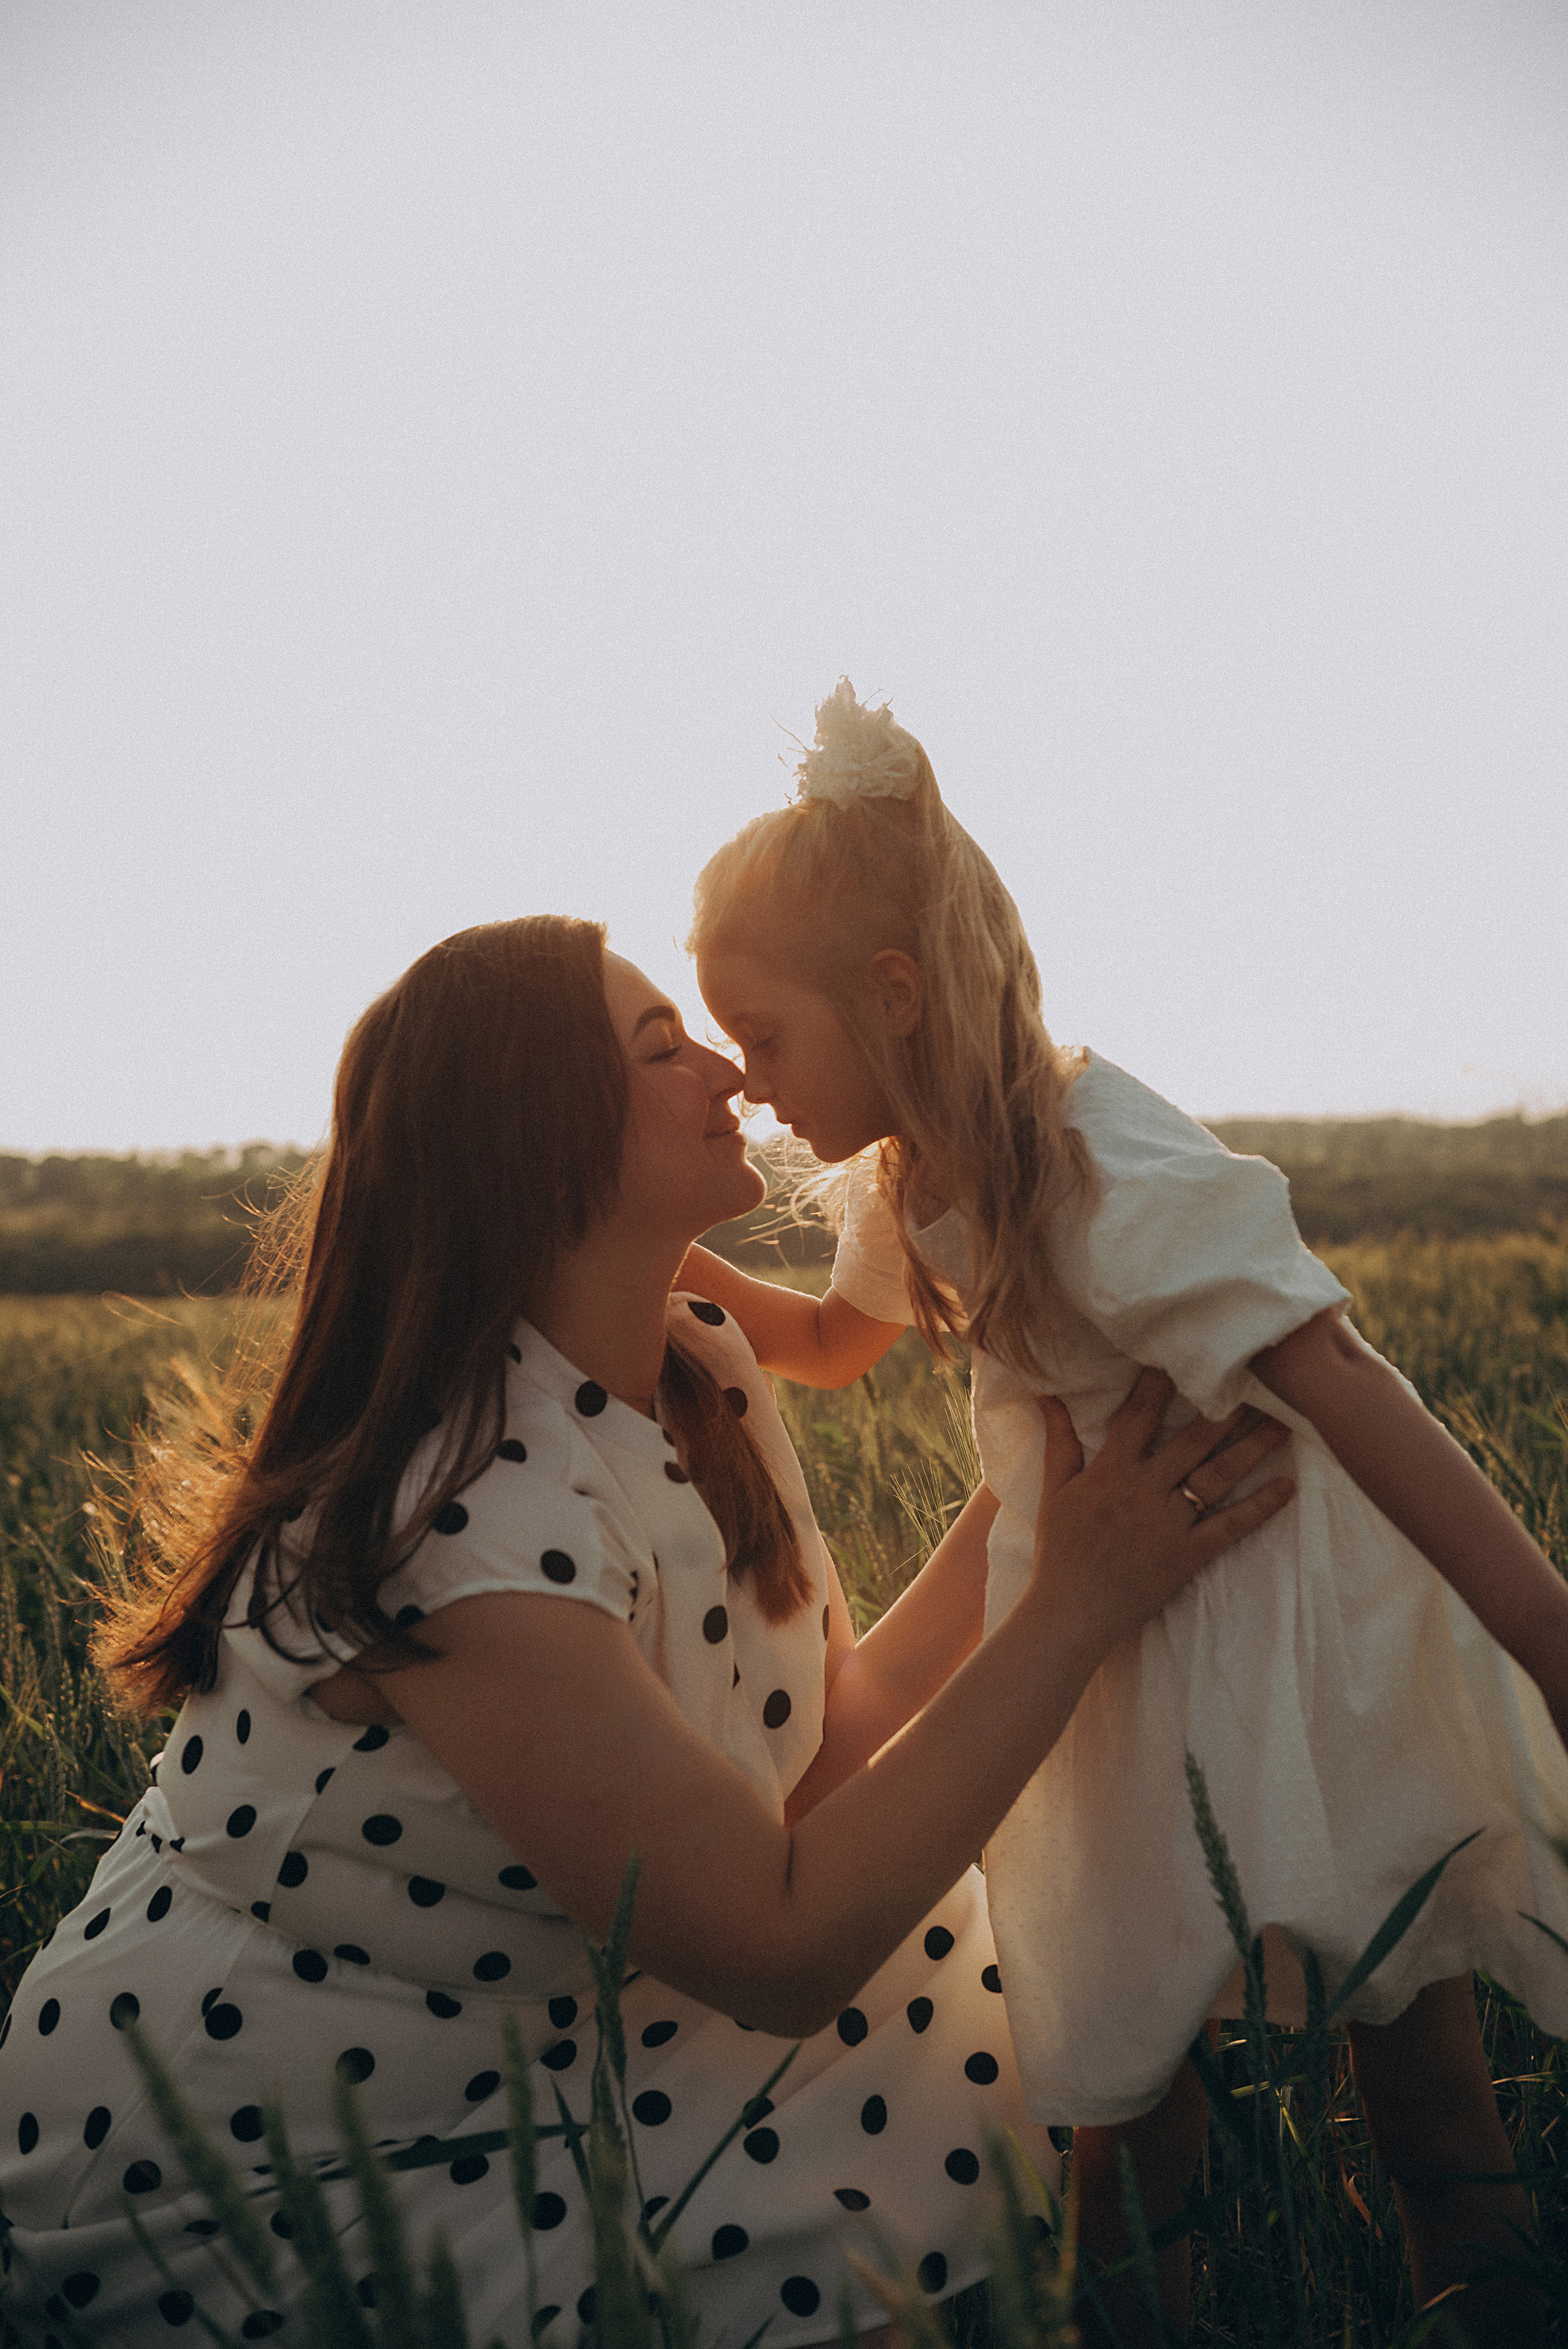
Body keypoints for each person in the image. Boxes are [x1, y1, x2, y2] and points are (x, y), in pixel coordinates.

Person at [0, 916, 1291, 2349]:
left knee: (1027, 2032)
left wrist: (1037, 1500)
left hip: (589, 2021)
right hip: (320, 2125)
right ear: (532, 1137)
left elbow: (809, 1745)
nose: (730, 1072)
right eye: (663, 1048)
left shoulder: (696, 1359)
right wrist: (1076, 1603)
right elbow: (777, 1943)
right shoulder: (451, 1523)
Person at [682, 681, 1568, 2348]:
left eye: (764, 1032)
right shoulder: (906, 1180)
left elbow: (1344, 1370)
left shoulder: (1095, 1156)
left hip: (1285, 1628)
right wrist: (659, 1246)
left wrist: (1547, 1636)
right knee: (1121, 2110)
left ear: (890, 996)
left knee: (1433, 2096)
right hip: (1098, 1661)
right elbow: (816, 1342)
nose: (745, 1077)